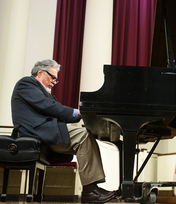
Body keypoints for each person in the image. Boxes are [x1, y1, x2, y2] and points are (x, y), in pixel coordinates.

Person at [11, 59, 116, 203]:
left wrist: (76, 115)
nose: (54, 82)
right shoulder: (26, 84)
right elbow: (48, 106)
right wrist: (77, 113)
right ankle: (90, 191)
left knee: (84, 135)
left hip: (43, 131)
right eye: (52, 77)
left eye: (56, 79)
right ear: (40, 72)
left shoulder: (39, 90)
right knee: (83, 136)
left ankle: (92, 188)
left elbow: (52, 108)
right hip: (35, 132)